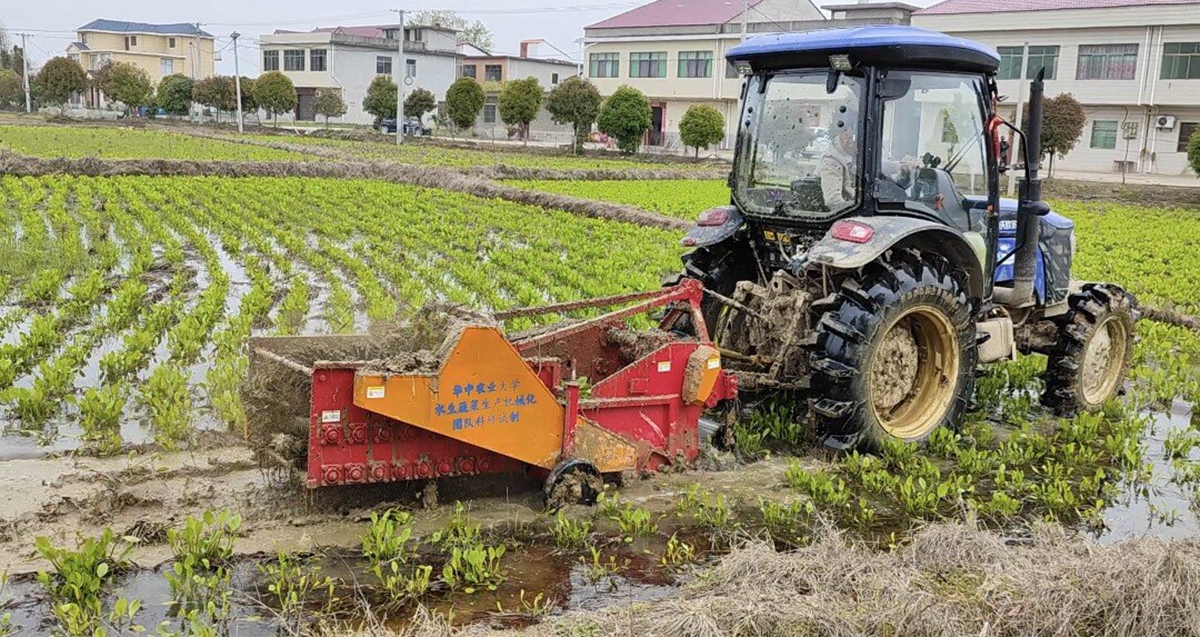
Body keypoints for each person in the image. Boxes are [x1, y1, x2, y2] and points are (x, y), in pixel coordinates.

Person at [818, 103, 858, 213]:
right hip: (842, 217)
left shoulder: (857, 156)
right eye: (845, 131)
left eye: (853, 131)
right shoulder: (831, 160)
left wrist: (902, 169)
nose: (850, 136)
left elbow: (885, 168)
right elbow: (833, 201)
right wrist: (858, 210)